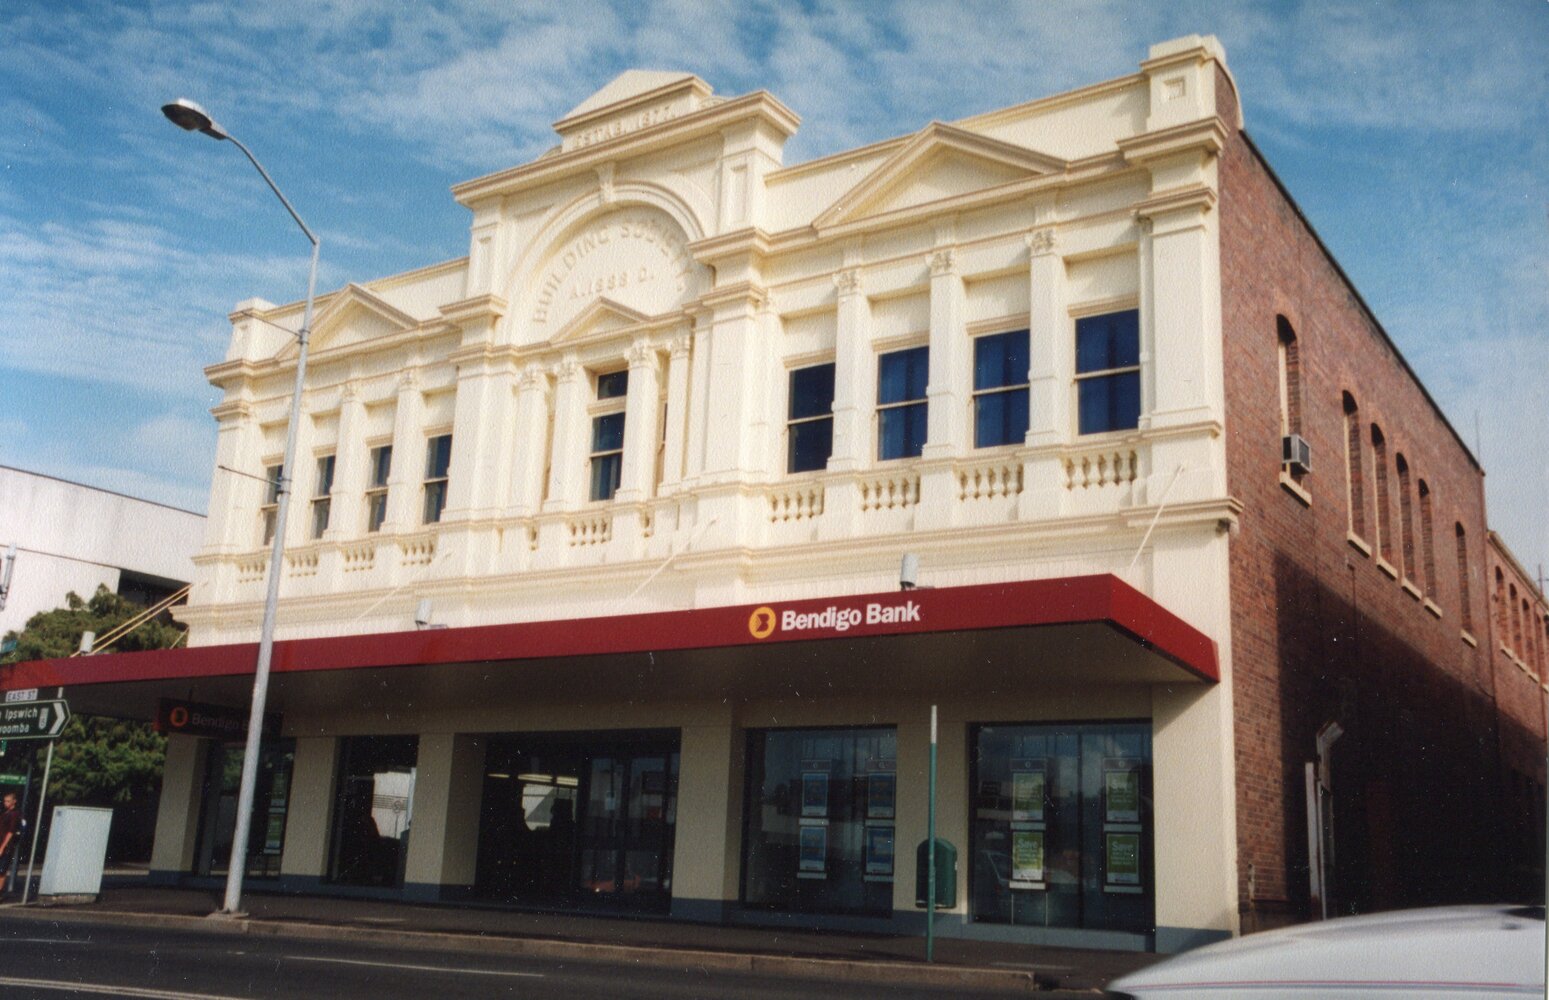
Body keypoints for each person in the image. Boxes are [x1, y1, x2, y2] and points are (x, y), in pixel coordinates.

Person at [0, 792, 21, 894]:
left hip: (6, 846)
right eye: (5, 801)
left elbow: (11, 831)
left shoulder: (14, 814)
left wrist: (3, 847)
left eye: (8, 801)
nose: (5, 803)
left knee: (1, 871)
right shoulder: (5, 814)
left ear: (14, 801)